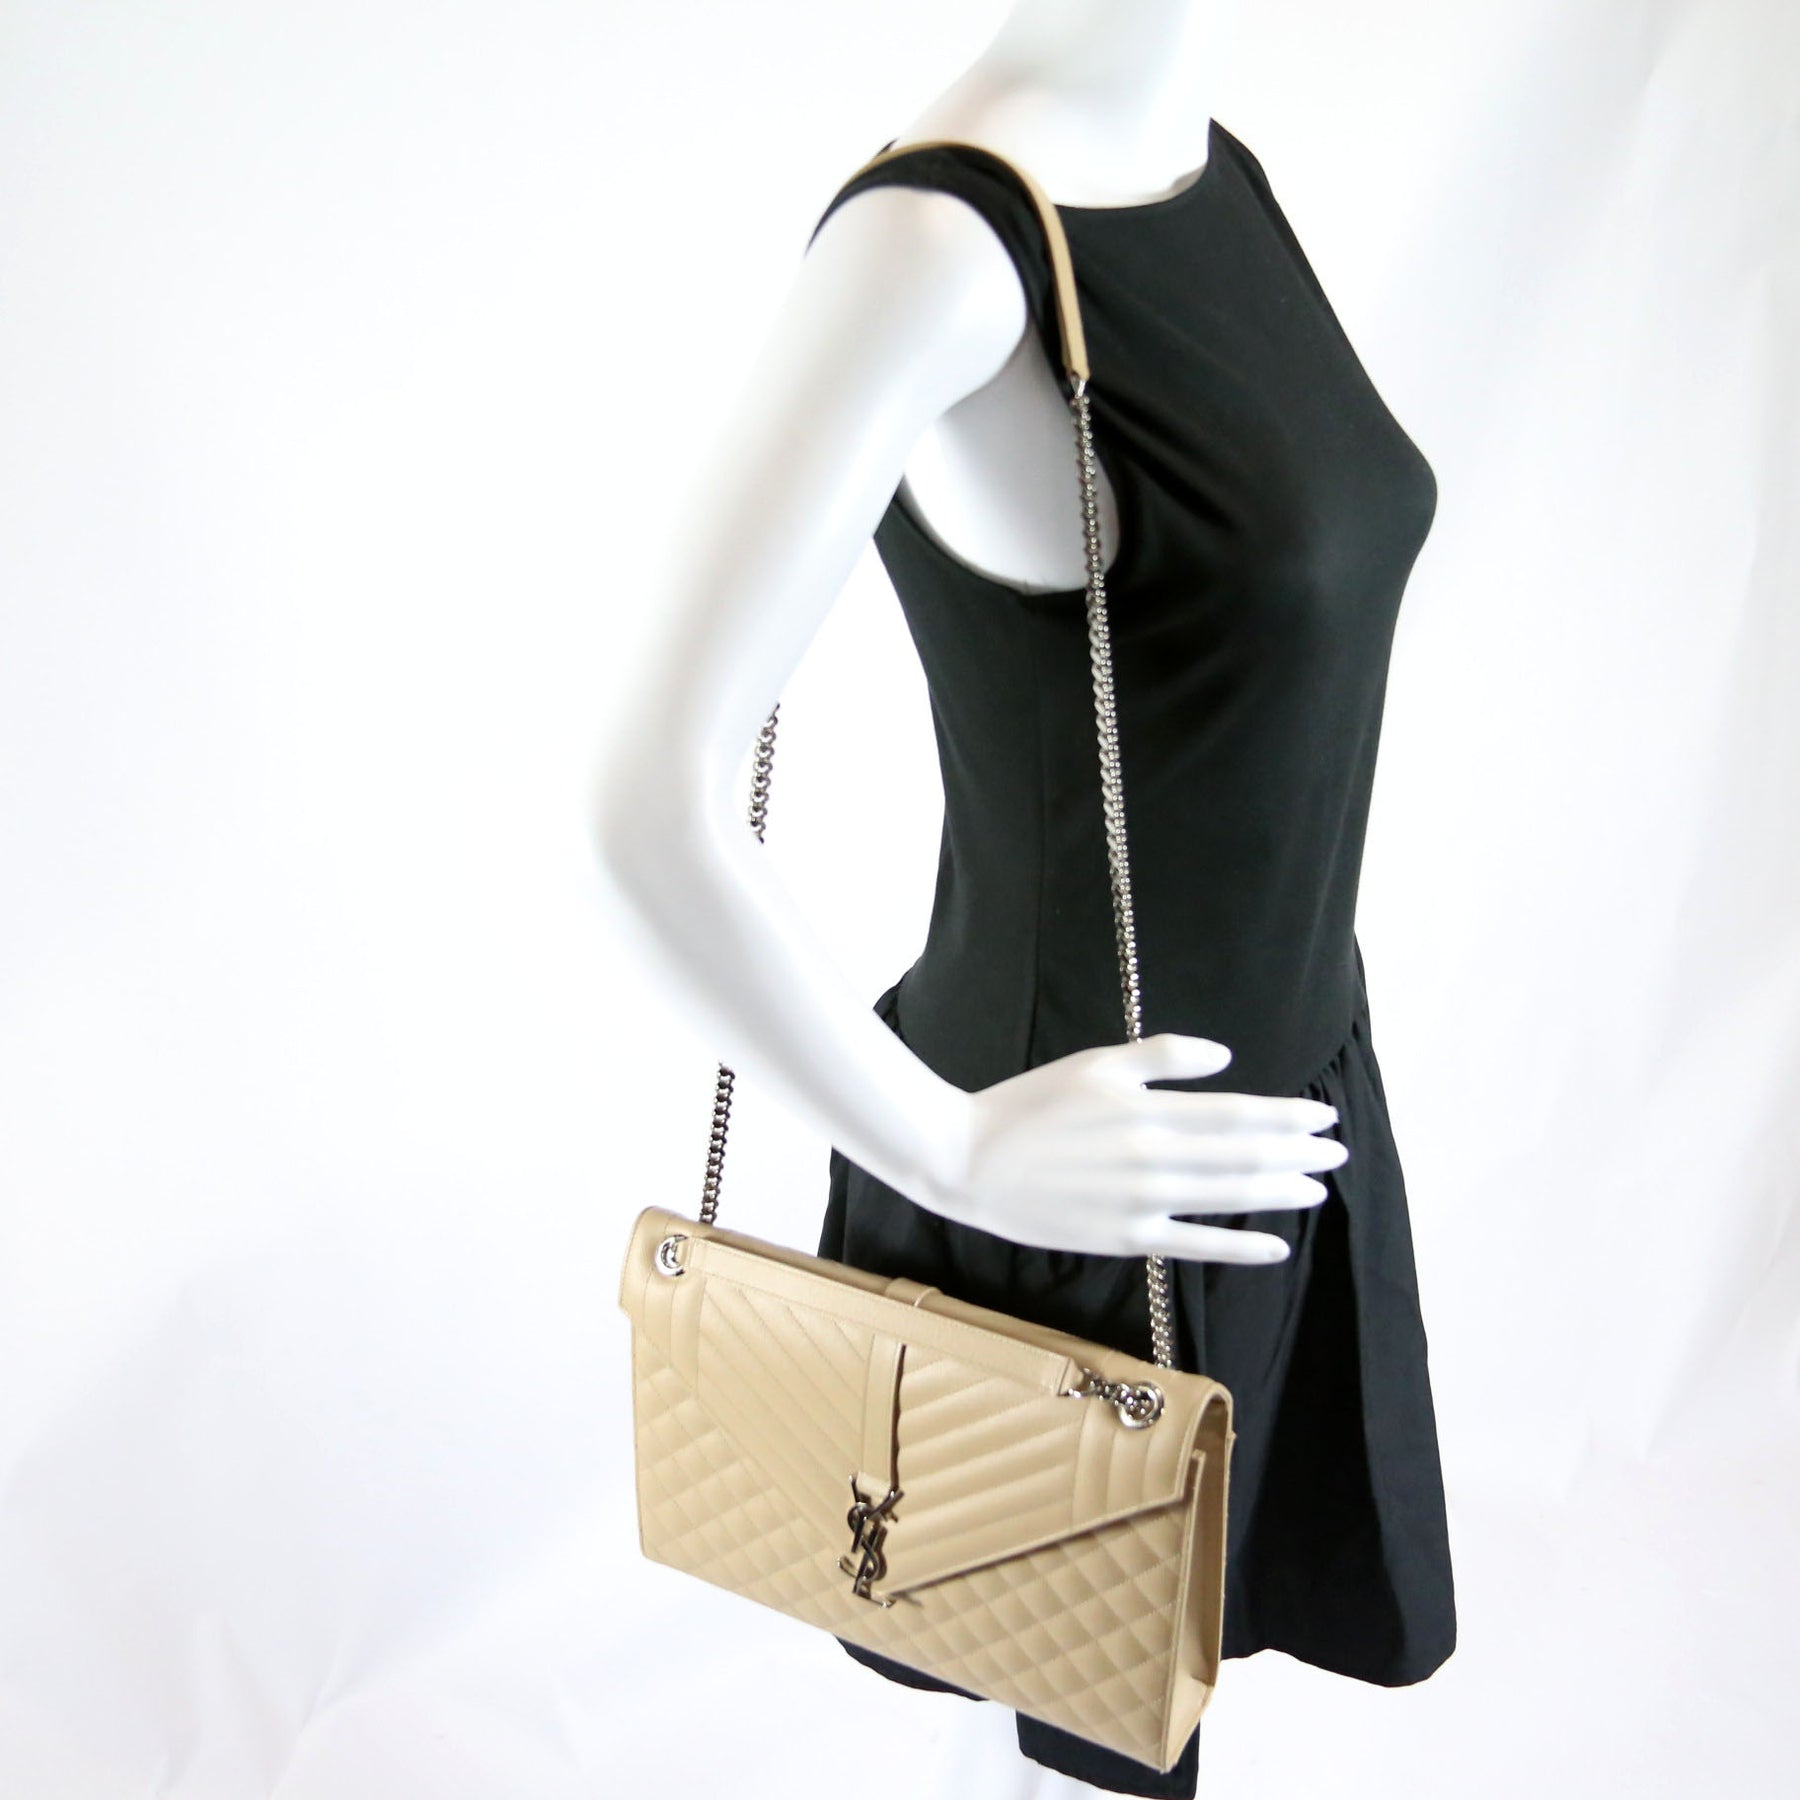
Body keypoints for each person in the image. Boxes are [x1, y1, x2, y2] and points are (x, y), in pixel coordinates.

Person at [594, 1, 1456, 1793]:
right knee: (1087, 1716)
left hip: (1273, 1125)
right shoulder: (934, 251)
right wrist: (955, 1152)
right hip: (1071, 1156)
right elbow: (644, 803)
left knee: (1159, 1691)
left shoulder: (1202, 166)